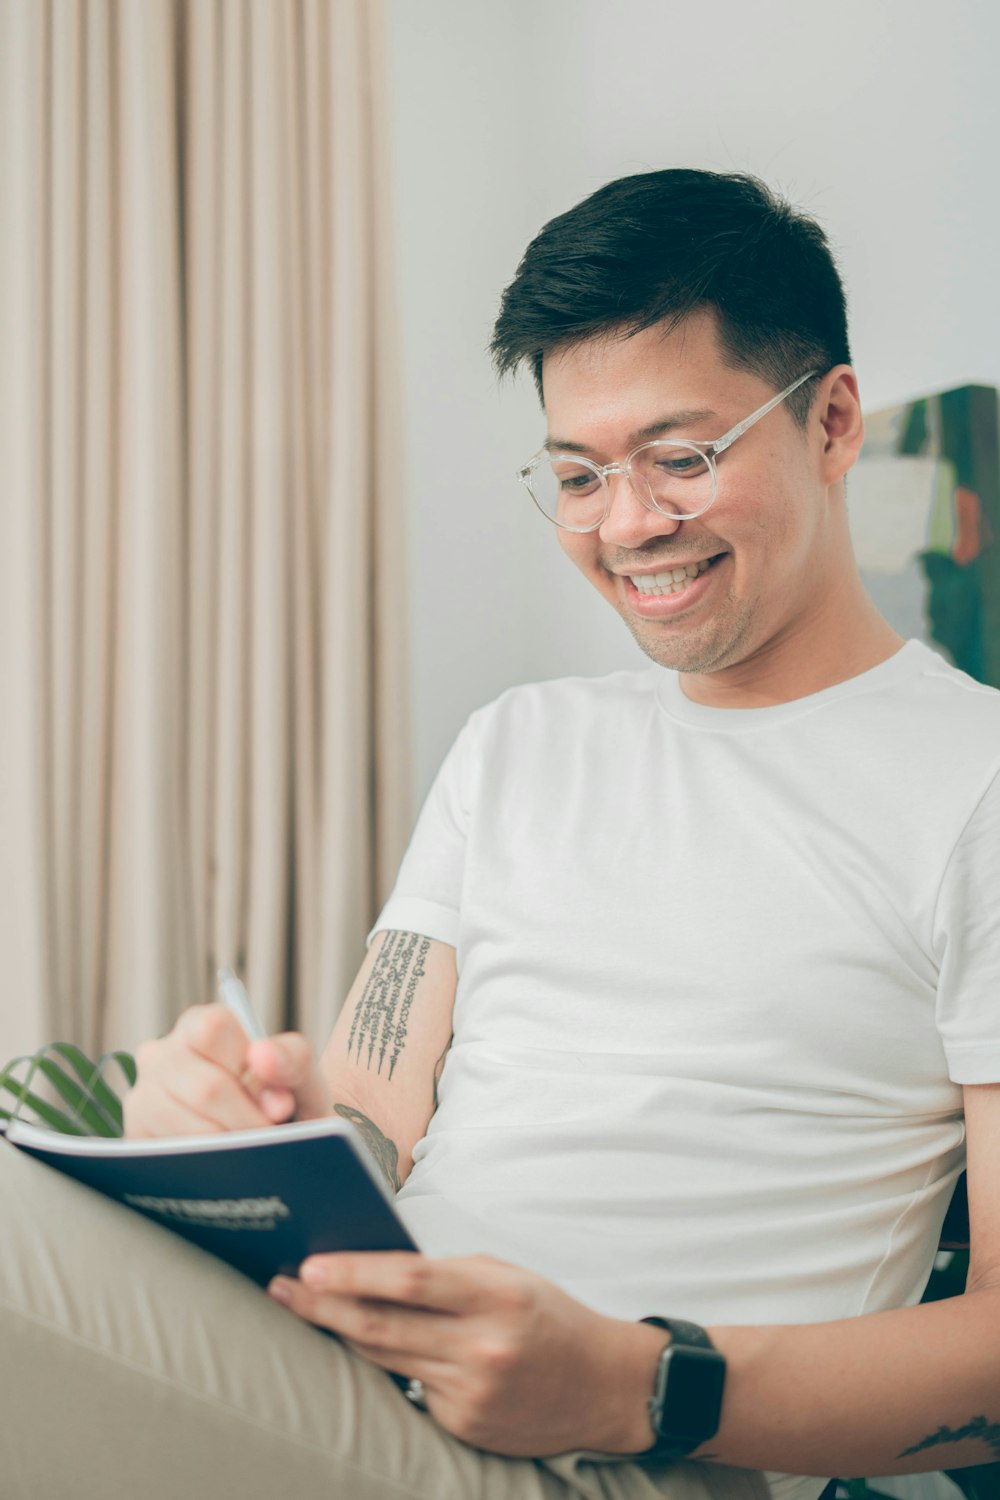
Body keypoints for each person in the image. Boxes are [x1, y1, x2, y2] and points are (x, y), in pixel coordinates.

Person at [3, 169, 999, 1500]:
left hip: (636, 1456)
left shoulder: (973, 779)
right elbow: (367, 1116)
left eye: (682, 458)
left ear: (832, 422)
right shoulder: (517, 745)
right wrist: (225, 1124)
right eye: (579, 475)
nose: (628, 525)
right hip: (370, 1373)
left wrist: (637, 1381)